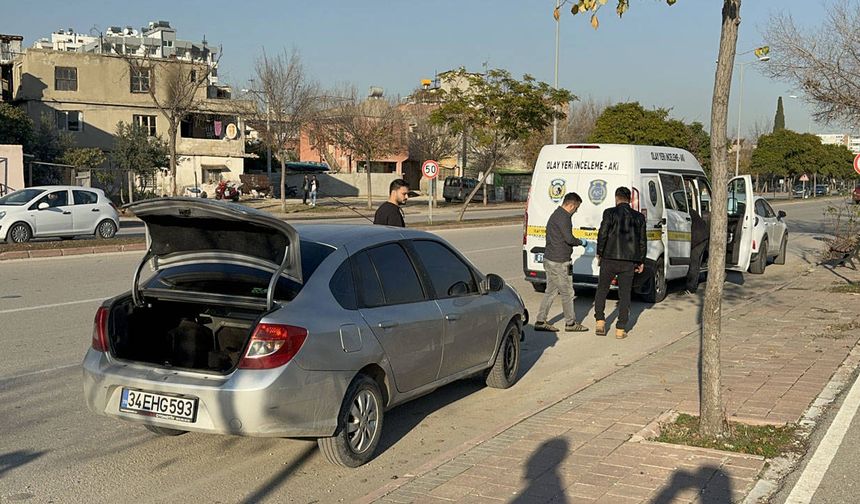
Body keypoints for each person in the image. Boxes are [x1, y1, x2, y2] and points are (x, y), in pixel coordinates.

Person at [594, 187, 647, 339]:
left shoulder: (609, 213)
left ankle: (600, 321)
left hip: (609, 258)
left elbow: (602, 234)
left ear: (616, 198)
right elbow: (642, 241)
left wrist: (600, 253)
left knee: (602, 290)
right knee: (625, 294)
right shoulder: (639, 217)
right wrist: (641, 260)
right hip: (628, 262)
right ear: (630, 200)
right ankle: (620, 328)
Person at [534, 192, 589, 333]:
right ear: (571, 205)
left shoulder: (556, 214)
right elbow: (569, 239)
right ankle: (570, 323)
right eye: (576, 208)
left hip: (550, 259)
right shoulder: (564, 217)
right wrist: (581, 242)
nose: (576, 211)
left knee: (551, 291)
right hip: (560, 261)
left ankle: (540, 320)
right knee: (568, 293)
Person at [681, 207, 709, 295]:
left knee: (694, 262)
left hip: (699, 238)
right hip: (702, 236)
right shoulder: (688, 211)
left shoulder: (685, 212)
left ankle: (691, 287)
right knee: (695, 262)